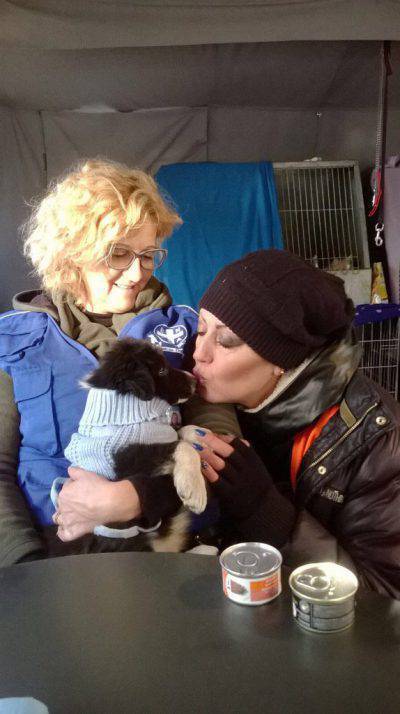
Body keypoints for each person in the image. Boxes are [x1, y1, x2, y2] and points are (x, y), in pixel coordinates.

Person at [0, 159, 238, 565]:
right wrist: (23, 564)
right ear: (73, 253)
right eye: (119, 254)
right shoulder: (15, 339)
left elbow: (221, 442)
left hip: (169, 545)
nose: (135, 273)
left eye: (148, 255)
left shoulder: (185, 331)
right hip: (53, 552)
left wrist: (137, 497)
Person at [188, 249, 400, 598]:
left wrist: (270, 516)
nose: (199, 353)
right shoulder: (210, 397)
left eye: (225, 340)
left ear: (281, 360)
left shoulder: (376, 438)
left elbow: (384, 600)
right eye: (200, 329)